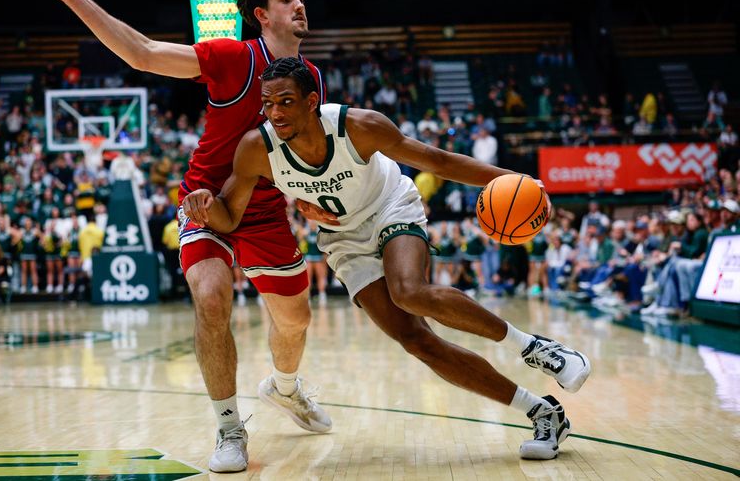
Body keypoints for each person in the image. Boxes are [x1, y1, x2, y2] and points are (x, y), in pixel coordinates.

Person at [185, 58, 592, 460]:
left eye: (285, 102)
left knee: (409, 291)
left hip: (389, 206)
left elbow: (439, 161)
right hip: (343, 237)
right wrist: (204, 206)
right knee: (418, 342)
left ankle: (537, 348)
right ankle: (542, 412)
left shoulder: (358, 126)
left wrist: (514, 179)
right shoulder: (257, 148)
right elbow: (229, 214)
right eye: (267, 104)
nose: (274, 113)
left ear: (311, 101)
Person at [30, 0, 330, 473]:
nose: (300, 4)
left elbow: (302, 151)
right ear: (261, 14)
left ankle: (284, 389)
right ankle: (229, 427)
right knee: (211, 299)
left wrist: (311, 197)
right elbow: (142, 52)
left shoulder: (310, 77)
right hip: (205, 201)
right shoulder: (232, 57)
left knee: (296, 320)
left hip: (263, 210)